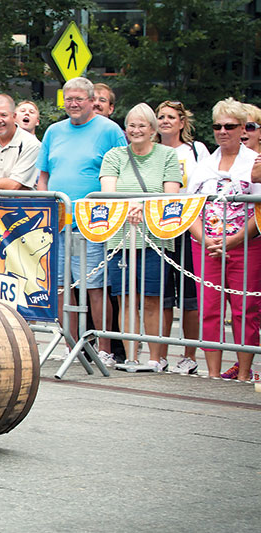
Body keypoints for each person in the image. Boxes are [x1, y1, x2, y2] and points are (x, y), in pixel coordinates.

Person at [37, 77, 127, 367]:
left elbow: (124, 171)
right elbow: (43, 176)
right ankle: (70, 344)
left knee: (95, 286)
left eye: (79, 99)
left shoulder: (109, 130)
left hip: (94, 223)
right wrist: (44, 211)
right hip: (60, 223)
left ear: (92, 101)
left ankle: (104, 348)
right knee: (63, 287)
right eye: (68, 99)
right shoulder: (53, 131)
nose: (73, 104)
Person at [99, 103, 182, 371]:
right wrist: (130, 207)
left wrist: (140, 207)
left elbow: (170, 197)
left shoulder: (168, 156)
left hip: (154, 239)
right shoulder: (114, 156)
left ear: (153, 130)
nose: (135, 130)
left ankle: (156, 358)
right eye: (131, 125)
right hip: (120, 238)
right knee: (125, 299)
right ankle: (132, 357)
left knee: (152, 299)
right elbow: (107, 194)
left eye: (142, 125)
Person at [187, 98, 261, 381]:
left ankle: (243, 373)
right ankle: (214, 373)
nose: (222, 131)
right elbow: (188, 209)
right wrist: (205, 239)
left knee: (246, 309)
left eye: (229, 126)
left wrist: (234, 240)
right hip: (206, 246)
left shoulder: (253, 164)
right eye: (217, 126)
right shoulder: (204, 165)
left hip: (246, 245)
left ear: (242, 128)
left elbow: (260, 210)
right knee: (209, 308)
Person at [155, 99, 210, 374]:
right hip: (160, 228)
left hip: (190, 226)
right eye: (161, 116)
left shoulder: (196, 151)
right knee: (162, 296)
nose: (165, 121)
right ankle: (160, 354)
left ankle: (189, 354)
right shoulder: (151, 150)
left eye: (171, 117)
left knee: (190, 296)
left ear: (181, 122)